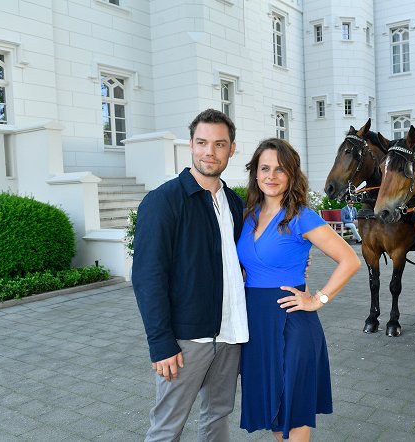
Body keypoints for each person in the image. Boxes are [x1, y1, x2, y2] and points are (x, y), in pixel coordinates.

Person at [132, 108, 247, 442]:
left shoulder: (234, 203)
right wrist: (160, 343)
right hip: (185, 340)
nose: (209, 151)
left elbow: (237, 259)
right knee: (167, 427)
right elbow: (148, 276)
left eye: (219, 144)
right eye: (202, 142)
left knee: (218, 417)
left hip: (230, 333)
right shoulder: (163, 201)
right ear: (191, 146)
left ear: (231, 149)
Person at [237, 138, 361, 441]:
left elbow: (349, 260)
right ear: (255, 173)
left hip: (291, 322)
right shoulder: (248, 214)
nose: (271, 176)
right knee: (276, 417)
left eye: (280, 169)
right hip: (256, 327)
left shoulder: (300, 216)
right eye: (264, 168)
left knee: (293, 415)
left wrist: (318, 298)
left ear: (292, 174)